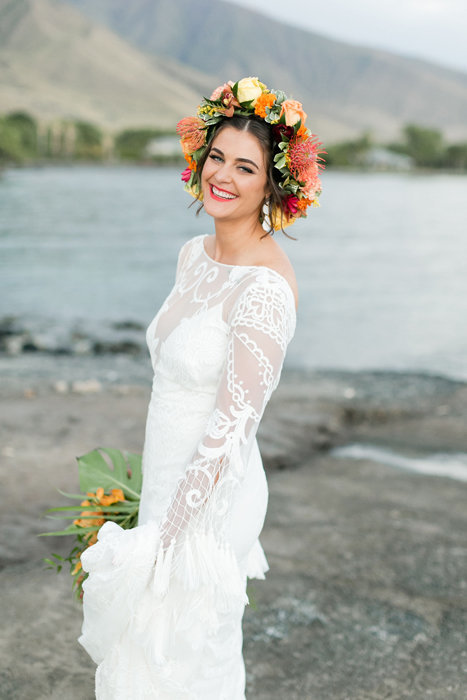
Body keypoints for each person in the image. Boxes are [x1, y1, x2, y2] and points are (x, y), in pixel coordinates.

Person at [78, 77, 324, 699]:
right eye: (217, 156)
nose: (224, 175)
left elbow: (229, 432)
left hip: (214, 496)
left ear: (273, 185)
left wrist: (163, 541)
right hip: (168, 478)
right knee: (148, 657)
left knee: (184, 655)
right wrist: (152, 508)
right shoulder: (193, 255)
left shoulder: (264, 290)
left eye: (247, 167)